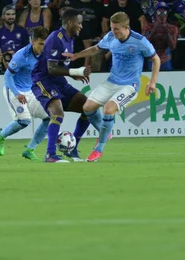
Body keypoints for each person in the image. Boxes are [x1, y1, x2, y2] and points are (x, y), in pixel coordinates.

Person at [64, 12, 160, 162]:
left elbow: (156, 59)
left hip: (129, 85)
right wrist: (77, 56)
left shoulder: (139, 41)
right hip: (111, 82)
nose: (113, 32)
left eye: (116, 29)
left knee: (109, 109)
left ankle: (98, 149)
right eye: (112, 28)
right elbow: (96, 48)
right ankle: (105, 131)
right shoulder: (110, 37)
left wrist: (152, 82)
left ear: (126, 27)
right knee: (87, 107)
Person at [30, 8, 103, 163]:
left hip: (59, 82)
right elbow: (51, 68)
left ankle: (73, 149)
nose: (81, 26)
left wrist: (73, 75)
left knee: (88, 108)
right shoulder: (56, 38)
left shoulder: (70, 39)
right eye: (79, 23)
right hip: (43, 81)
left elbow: (59, 66)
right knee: (57, 113)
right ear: (70, 23)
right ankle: (50, 154)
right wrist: (76, 70)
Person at [0, 26, 51, 161]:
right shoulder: (22, 56)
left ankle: (30, 150)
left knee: (50, 117)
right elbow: (7, 76)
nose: (43, 47)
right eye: (40, 44)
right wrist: (17, 93)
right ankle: (0, 136)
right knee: (24, 121)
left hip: (30, 90)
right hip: (13, 89)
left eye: (45, 43)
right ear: (33, 41)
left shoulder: (46, 53)